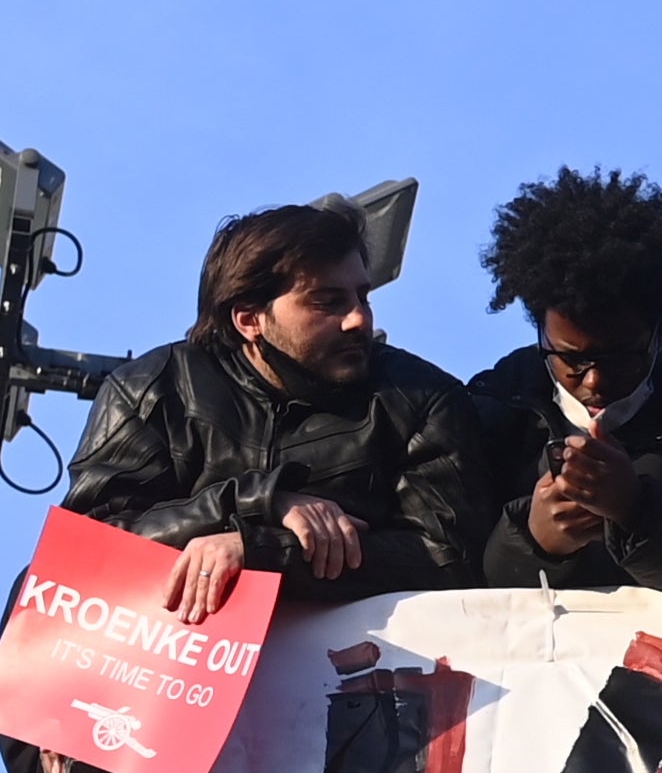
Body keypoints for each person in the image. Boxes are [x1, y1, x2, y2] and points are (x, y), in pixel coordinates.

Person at [61, 203, 478, 618]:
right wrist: (261, 502)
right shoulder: (151, 389)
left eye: (361, 297)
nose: (357, 319)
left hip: (344, 677)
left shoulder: (420, 398)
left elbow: (449, 558)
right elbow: (82, 550)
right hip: (161, 671)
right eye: (327, 302)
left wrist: (259, 550)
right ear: (249, 319)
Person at [460, 168, 662, 594]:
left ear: (659, 332)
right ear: (538, 329)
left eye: (621, 357)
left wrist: (634, 510)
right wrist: (535, 541)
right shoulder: (489, 410)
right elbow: (453, 580)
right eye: (571, 359)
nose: (595, 380)